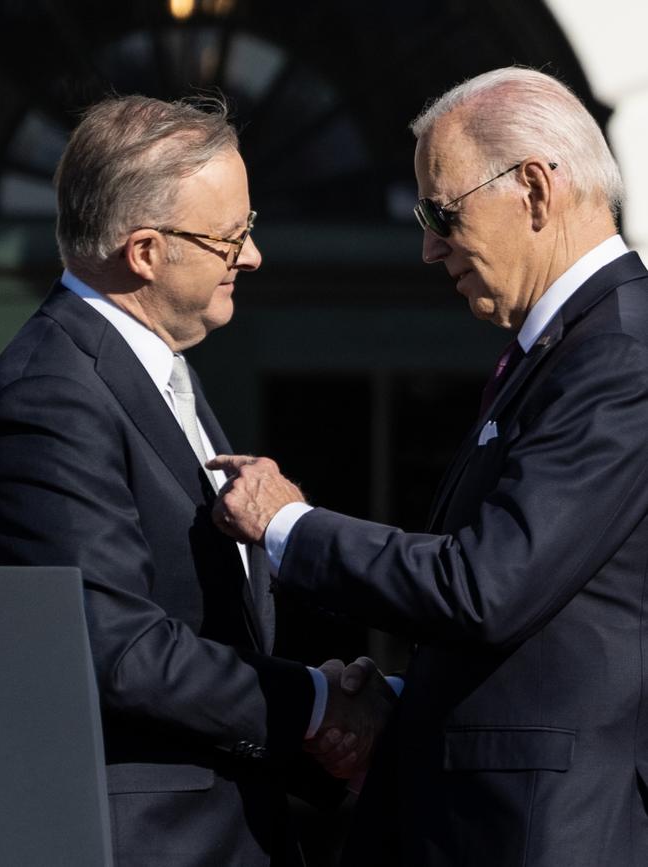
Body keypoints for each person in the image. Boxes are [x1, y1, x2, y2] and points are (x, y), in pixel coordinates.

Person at [211, 67, 648, 866]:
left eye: (441, 212)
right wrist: (405, 700)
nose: (426, 245)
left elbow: (488, 587)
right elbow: (549, 629)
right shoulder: (560, 349)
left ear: (536, 191)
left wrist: (286, 524)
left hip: (538, 833)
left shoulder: (619, 354)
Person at [0, 95, 395, 867]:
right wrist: (315, 704)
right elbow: (119, 648)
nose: (252, 256)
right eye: (231, 236)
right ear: (145, 251)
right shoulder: (53, 392)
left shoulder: (158, 369)